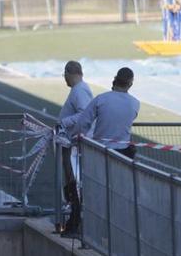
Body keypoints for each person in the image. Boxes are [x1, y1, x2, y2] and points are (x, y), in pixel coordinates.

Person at [66, 67, 140, 160]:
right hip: (123, 153)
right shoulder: (135, 103)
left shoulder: (101, 99)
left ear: (115, 80)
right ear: (130, 84)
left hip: (100, 150)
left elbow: (83, 123)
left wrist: (76, 139)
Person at [57, 61, 92, 235]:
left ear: (69, 73)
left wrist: (64, 122)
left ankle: (75, 220)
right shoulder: (79, 90)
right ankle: (73, 217)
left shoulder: (79, 91)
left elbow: (84, 114)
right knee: (71, 181)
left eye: (65, 74)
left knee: (74, 181)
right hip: (73, 143)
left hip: (74, 145)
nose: (64, 78)